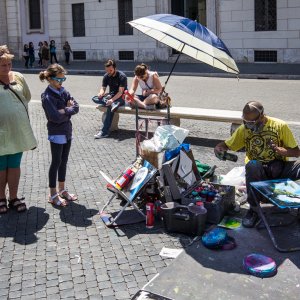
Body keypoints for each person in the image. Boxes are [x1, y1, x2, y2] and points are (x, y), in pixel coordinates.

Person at [214, 101, 300, 228]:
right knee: (253, 164)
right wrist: (219, 148)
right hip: (259, 171)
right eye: (246, 122)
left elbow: (296, 152)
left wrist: (284, 151)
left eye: (252, 123)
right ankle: (253, 210)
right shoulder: (244, 130)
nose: (248, 125)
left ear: (262, 116)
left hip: (279, 168)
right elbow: (227, 144)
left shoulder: (279, 126)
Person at [0, 45, 37, 213]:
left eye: (9, 64)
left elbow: (26, 97)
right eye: (3, 65)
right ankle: (0, 198)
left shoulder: (19, 77)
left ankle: (13, 197)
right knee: (1, 167)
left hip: (17, 131)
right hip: (1, 133)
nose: (7, 68)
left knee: (14, 165)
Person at [39, 64, 79, 207]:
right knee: (56, 162)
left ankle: (62, 189)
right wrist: (68, 109)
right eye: (58, 80)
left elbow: (77, 106)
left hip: (67, 130)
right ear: (50, 79)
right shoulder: (48, 96)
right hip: (56, 132)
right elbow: (54, 117)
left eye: (63, 79)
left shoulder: (63, 91)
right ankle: (52, 193)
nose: (61, 83)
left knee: (64, 161)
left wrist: (65, 110)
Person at [92, 59, 127, 139]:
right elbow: (103, 88)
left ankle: (104, 132)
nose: (109, 72)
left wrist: (111, 100)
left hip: (121, 97)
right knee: (94, 98)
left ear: (115, 68)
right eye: (107, 70)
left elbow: (120, 92)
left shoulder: (122, 76)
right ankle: (113, 104)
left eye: (110, 70)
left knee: (109, 107)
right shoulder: (106, 76)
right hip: (110, 97)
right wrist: (101, 93)